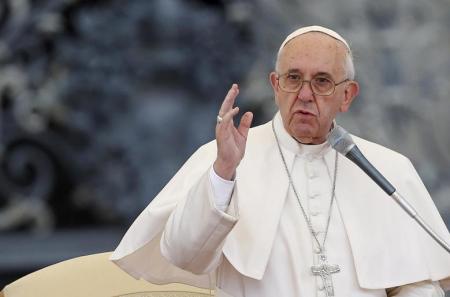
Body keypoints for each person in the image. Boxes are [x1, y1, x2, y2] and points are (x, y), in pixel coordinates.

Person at [110, 26, 450, 297]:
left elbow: (417, 281)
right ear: (275, 85)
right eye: (293, 78)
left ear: (347, 96)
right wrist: (224, 172)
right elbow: (184, 255)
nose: (304, 94)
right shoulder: (224, 159)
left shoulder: (388, 168)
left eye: (322, 81)